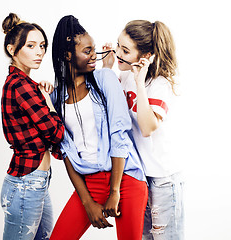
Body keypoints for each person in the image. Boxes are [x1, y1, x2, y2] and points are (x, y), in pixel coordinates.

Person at [48, 15, 148, 240]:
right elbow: (65, 151)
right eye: (87, 51)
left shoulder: (104, 79)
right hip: (89, 182)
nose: (94, 55)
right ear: (67, 55)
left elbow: (119, 133)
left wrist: (115, 191)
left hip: (125, 179)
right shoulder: (56, 97)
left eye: (94, 49)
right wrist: (87, 202)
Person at [102, 20, 184, 239]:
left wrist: (139, 83)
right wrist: (107, 70)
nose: (117, 52)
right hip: (139, 176)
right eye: (118, 45)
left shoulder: (160, 84)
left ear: (145, 56)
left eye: (125, 50)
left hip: (162, 179)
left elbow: (147, 128)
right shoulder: (124, 74)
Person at [0, 13, 64, 240]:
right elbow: (56, 133)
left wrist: (43, 92)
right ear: (12, 49)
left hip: (35, 180)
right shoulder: (20, 86)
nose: (40, 52)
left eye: (42, 46)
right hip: (27, 182)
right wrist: (47, 101)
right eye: (31, 45)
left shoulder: (26, 84)